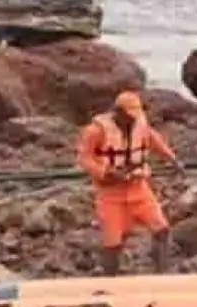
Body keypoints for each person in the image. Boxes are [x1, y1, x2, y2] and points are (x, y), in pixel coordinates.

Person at [77, 91, 184, 273]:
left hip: (138, 188)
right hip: (110, 194)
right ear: (117, 112)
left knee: (161, 230)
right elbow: (84, 158)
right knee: (113, 244)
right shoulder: (96, 131)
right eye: (128, 116)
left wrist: (172, 159)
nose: (132, 120)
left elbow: (153, 140)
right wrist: (104, 172)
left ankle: (162, 273)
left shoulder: (140, 125)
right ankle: (110, 283)